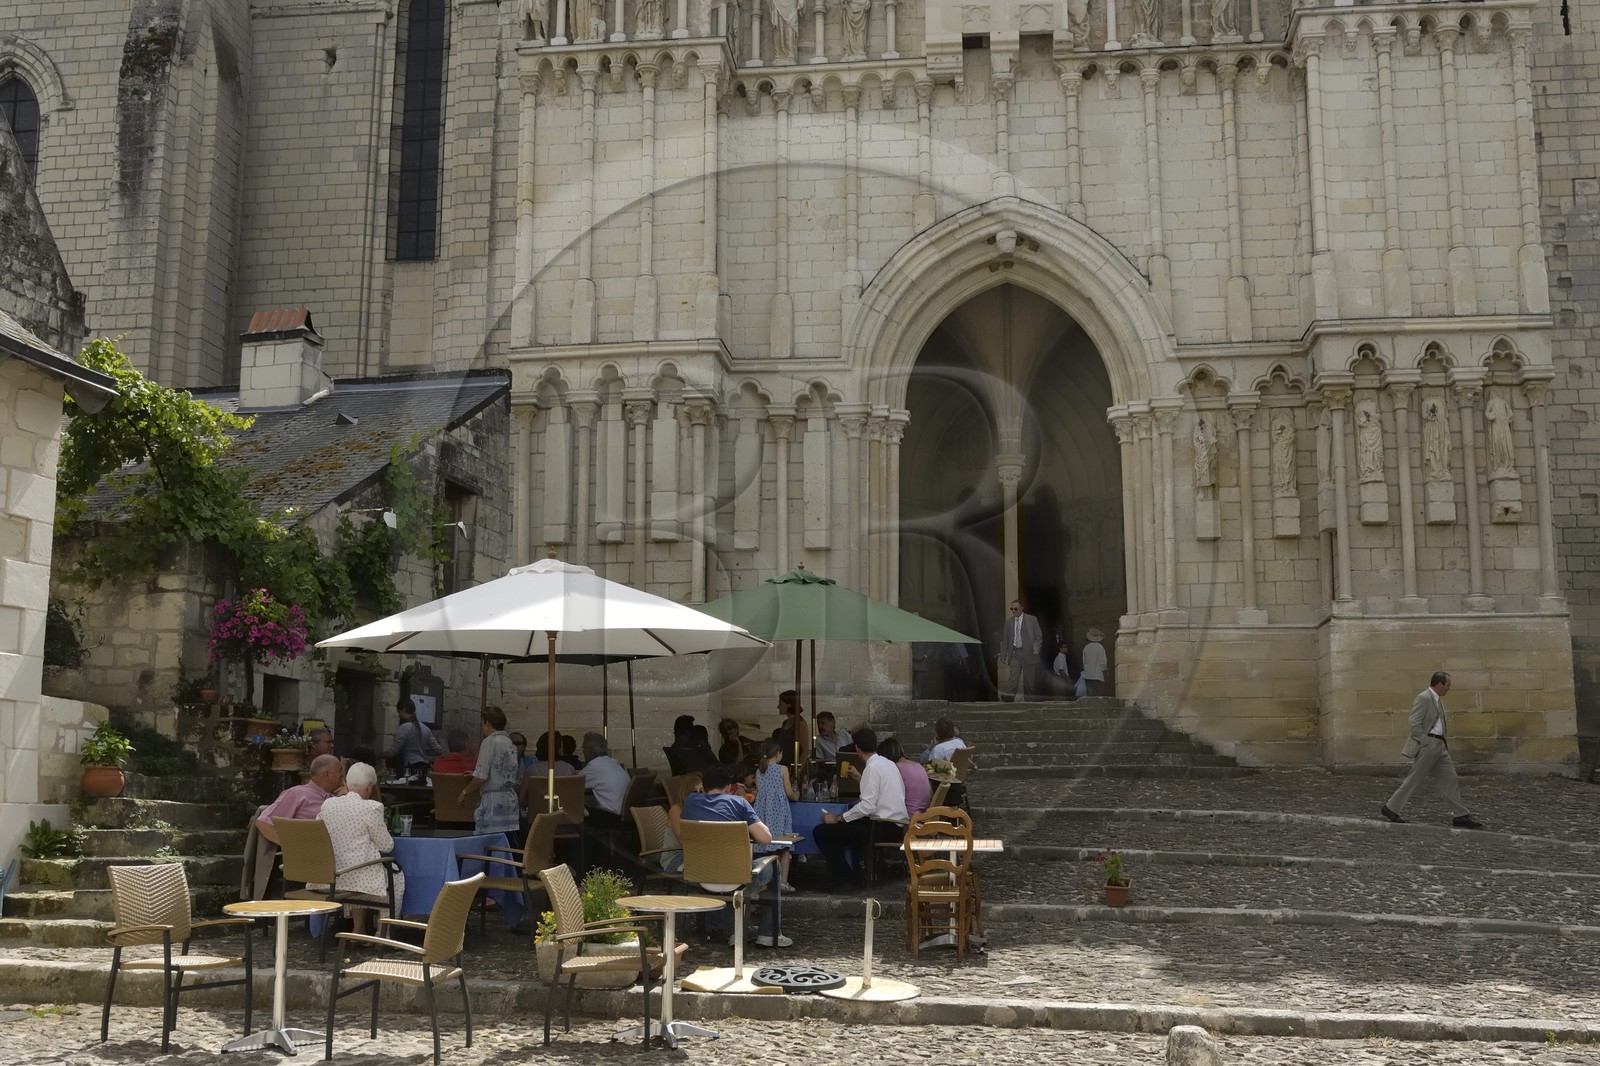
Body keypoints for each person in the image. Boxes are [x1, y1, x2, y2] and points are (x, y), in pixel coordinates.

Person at [682, 765, 790, 947]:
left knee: (724, 866)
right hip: (736, 879)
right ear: (728, 787)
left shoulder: (691, 801)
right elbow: (766, 838)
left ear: (705, 786)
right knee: (774, 864)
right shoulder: (738, 803)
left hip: (702, 878)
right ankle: (769, 934)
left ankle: (733, 932)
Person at [1381, 672, 1484, 829]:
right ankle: (1391, 808)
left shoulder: (1437, 700)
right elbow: (1414, 723)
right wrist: (1425, 742)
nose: (1449, 688)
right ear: (1439, 684)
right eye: (1448, 685)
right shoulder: (1424, 698)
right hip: (1429, 745)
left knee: (1451, 778)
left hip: (1440, 746)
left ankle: (1460, 815)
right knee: (1414, 779)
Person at [314, 762, 403, 934]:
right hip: (354, 880)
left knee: (361, 871)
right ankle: (382, 931)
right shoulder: (371, 807)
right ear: (370, 787)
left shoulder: (328, 805)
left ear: (346, 783)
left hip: (326, 878)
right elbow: (386, 845)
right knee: (395, 875)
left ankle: (358, 928)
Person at [814, 729, 907, 884]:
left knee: (821, 831)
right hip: (895, 826)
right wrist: (860, 778)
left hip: (880, 827)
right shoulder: (888, 764)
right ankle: (856, 872)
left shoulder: (872, 767)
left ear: (857, 748)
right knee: (851, 827)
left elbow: (867, 806)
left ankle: (845, 875)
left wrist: (837, 818)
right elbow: (879, 792)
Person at [457, 706, 520, 836]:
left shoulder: (490, 741)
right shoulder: (509, 743)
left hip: (493, 802)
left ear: (487, 723)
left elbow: (481, 777)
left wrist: (465, 791)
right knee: (505, 843)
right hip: (510, 802)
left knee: (490, 843)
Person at [256, 754, 344, 845]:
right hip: (308, 854)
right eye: (339, 770)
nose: (342, 775)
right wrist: (292, 846)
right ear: (327, 774)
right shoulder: (297, 794)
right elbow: (263, 822)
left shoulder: (336, 798)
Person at [751, 740, 799, 891]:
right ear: (778, 754)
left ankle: (763, 883)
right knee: (784, 846)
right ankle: (783, 883)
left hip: (763, 812)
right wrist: (796, 795)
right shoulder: (782, 769)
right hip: (779, 812)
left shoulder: (759, 771)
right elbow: (789, 792)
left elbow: (759, 792)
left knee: (764, 846)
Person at [996, 599, 1044, 701]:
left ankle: (1029, 701)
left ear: (1022, 608)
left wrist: (1036, 647)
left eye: (1015, 609)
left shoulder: (1032, 619)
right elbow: (1005, 640)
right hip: (1015, 653)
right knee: (1013, 677)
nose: (1013, 611)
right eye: (1011, 609)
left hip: (1029, 653)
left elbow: (1038, 636)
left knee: (1029, 681)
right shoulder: (1008, 622)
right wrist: (1003, 655)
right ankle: (1009, 697)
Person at [384, 697, 442, 777]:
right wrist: (424, 750)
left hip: (409, 768)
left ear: (403, 710)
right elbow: (438, 750)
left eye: (399, 712)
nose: (399, 715)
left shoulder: (404, 728)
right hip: (424, 767)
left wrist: (379, 755)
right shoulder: (426, 729)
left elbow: (393, 752)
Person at [660, 772, 703, 874]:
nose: (698, 795)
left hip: (695, 853)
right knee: (708, 863)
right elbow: (683, 841)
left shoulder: (703, 810)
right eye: (694, 792)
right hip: (675, 856)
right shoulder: (676, 810)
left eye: (701, 792)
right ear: (686, 793)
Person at [580, 732, 630, 816]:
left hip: (611, 818)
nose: (583, 751)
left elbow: (572, 784)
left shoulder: (595, 766)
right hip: (626, 816)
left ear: (589, 749)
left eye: (583, 748)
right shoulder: (613, 763)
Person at [880, 736, 931, 817]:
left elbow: (887, 796)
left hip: (908, 819)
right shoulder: (919, 766)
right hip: (924, 816)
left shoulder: (896, 768)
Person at [772, 690, 810, 767]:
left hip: (793, 767)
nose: (778, 707)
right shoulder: (785, 723)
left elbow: (805, 750)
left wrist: (798, 770)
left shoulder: (800, 723)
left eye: (781, 704)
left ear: (789, 705)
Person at [1080, 628, 1108, 697]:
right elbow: (1102, 662)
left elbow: (1084, 663)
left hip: (1088, 675)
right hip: (1098, 675)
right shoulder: (1100, 647)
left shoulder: (1086, 648)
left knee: (1090, 695)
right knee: (1099, 694)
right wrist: (1105, 672)